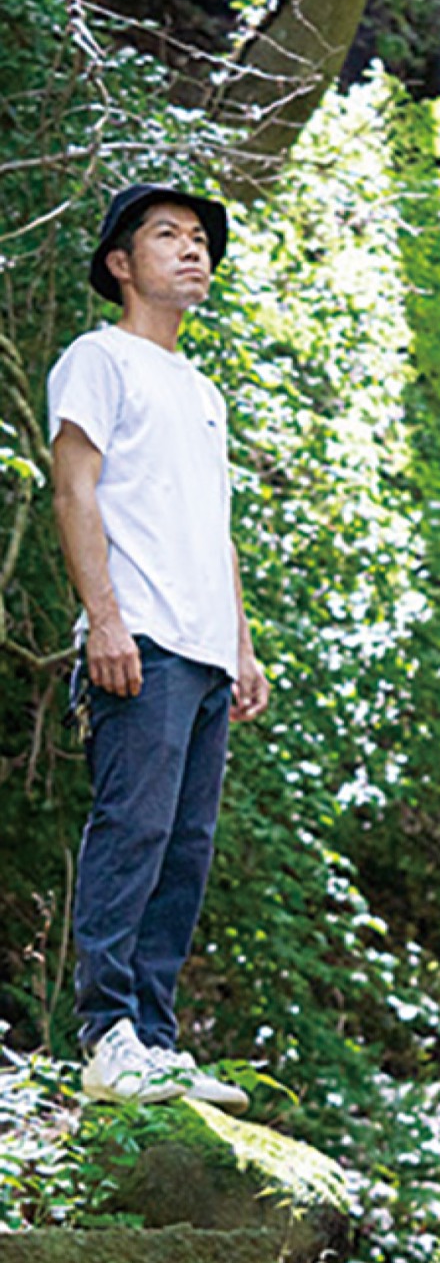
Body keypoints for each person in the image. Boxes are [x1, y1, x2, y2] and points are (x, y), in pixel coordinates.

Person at [48, 183, 270, 1112]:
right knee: (132, 831)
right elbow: (73, 490)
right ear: (120, 263)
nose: (193, 251)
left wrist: (242, 648)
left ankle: (154, 1042)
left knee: (185, 849)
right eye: (169, 236)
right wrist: (104, 619)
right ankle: (105, 1036)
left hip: (205, 651)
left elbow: (214, 528)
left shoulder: (202, 389)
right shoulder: (99, 359)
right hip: (139, 637)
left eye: (201, 241)